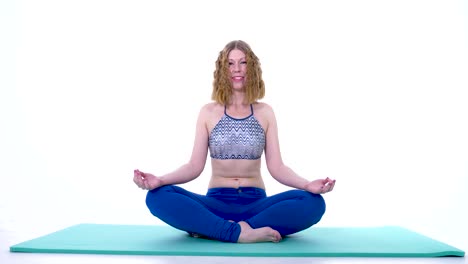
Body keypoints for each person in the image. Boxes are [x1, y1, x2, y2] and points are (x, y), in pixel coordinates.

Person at [133, 40, 336, 243]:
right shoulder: (208, 112)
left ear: (252, 67)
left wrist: (307, 184)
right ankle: (238, 233)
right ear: (223, 69)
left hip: (256, 206)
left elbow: (277, 167)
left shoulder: (265, 112)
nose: (236, 69)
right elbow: (194, 166)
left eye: (243, 62)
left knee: (313, 203)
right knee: (157, 196)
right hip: (216, 203)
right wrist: (160, 181)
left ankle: (217, 229)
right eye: (230, 63)